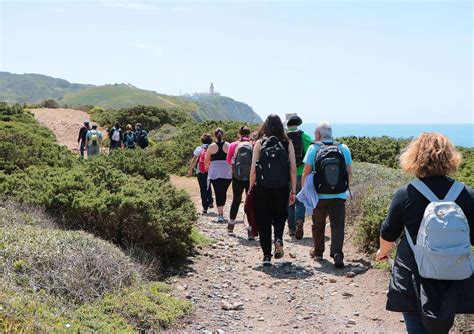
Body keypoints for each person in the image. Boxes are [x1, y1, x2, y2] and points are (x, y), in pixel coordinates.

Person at [375, 133, 473, 334]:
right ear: (450, 158)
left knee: (415, 325)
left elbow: (389, 233)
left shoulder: (407, 193)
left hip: (414, 271)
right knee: (443, 324)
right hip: (453, 274)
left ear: (414, 157)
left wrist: (382, 252)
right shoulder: (467, 194)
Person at [302, 122, 352, 268]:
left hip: (319, 194)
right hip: (339, 194)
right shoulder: (343, 148)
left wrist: (306, 191)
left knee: (318, 224)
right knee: (338, 225)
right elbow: (349, 171)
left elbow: (306, 171)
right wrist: (346, 190)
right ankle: (337, 254)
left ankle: (318, 253)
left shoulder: (313, 148)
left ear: (318, 135)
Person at [249, 114, 297, 266]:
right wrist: (293, 191)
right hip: (282, 187)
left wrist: (251, 187)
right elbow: (293, 170)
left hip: (262, 188)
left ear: (265, 126)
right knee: (280, 216)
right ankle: (278, 240)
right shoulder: (287, 143)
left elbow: (253, 170)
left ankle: (266, 256)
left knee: (264, 219)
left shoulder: (259, 143)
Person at [286, 115, 313, 239]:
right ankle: (300, 221)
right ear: (298, 125)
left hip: (287, 174)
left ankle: (291, 228)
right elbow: (310, 155)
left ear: (288, 125)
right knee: (300, 199)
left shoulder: (283, 137)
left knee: (289, 201)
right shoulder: (305, 136)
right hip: (302, 173)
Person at [226, 125, 253, 234]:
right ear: (249, 134)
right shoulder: (253, 144)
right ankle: (251, 229)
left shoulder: (233, 145)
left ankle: (231, 225)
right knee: (250, 202)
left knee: (236, 200)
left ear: (239, 134)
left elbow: (228, 161)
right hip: (250, 177)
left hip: (237, 176)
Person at [205, 128, 232, 223]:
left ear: (215, 135)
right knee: (223, 192)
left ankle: (220, 214)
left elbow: (207, 159)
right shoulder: (228, 145)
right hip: (227, 172)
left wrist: (206, 168)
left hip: (215, 172)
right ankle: (222, 212)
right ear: (223, 134)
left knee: (217, 192)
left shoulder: (211, 146)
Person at [188, 133, 214, 214]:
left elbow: (194, 160)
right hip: (210, 171)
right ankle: (210, 201)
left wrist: (190, 170)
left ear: (202, 140)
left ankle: (205, 207)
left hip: (200, 171)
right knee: (208, 186)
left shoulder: (199, 148)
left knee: (202, 189)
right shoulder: (212, 148)